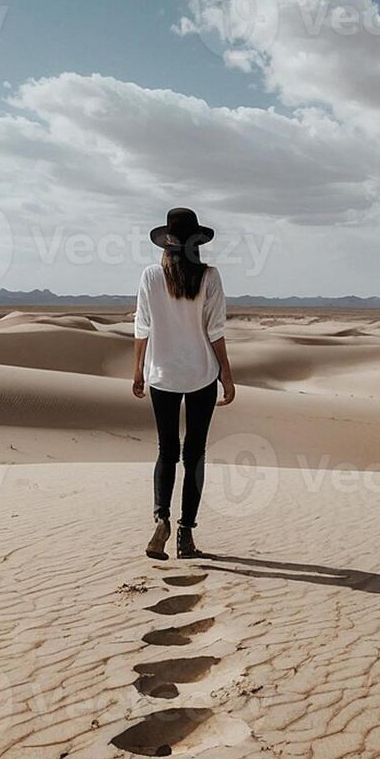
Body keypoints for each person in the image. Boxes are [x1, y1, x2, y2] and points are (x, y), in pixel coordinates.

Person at [133, 207, 235, 560]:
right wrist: (227, 373)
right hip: (201, 375)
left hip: (162, 375)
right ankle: (185, 535)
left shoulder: (150, 276)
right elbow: (216, 330)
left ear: (167, 243)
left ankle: (160, 517)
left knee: (166, 450)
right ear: (197, 245)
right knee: (194, 454)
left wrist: (137, 371)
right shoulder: (210, 277)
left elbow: (141, 326)